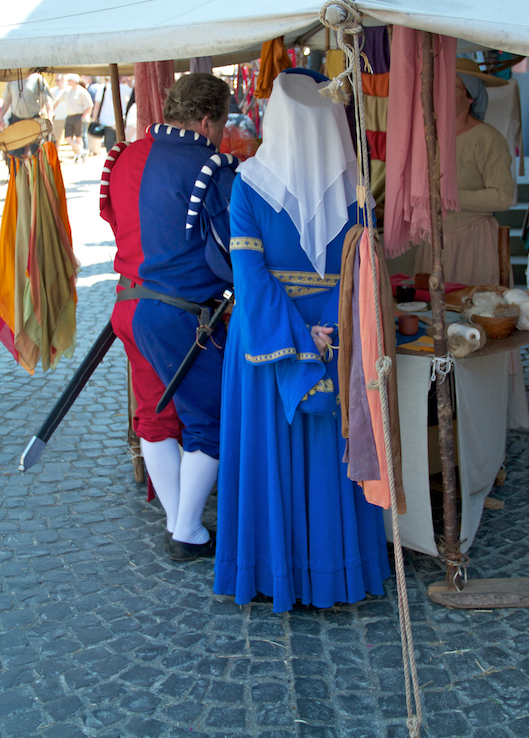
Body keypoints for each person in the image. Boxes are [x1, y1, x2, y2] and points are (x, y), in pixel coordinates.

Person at [213, 69, 390, 613]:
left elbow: (249, 277)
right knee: (329, 456)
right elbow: (364, 272)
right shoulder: (358, 189)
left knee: (275, 455)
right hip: (337, 332)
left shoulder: (248, 184)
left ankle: (274, 570)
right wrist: (324, 330)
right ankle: (336, 571)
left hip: (270, 336)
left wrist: (296, 335)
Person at [100, 73, 236, 561]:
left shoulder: (122, 157)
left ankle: (183, 525)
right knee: (211, 419)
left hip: (128, 305)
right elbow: (230, 249)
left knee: (154, 417)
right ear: (207, 120)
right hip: (178, 317)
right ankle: (185, 528)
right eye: (221, 124)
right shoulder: (209, 166)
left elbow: (121, 226)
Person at [415, 57, 514, 285]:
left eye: (453, 89)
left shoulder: (487, 139)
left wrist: (447, 197)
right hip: (432, 239)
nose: (442, 94)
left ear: (470, 96)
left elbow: (503, 197)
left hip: (473, 240)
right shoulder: (428, 136)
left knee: (470, 303)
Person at [53, 74, 93, 163]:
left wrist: (83, 116)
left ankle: (78, 155)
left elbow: (89, 105)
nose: (68, 82)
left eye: (70, 80)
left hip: (78, 116)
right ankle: (82, 151)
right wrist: (52, 111)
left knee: (78, 137)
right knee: (68, 138)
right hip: (69, 116)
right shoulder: (66, 91)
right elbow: (58, 100)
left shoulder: (82, 91)